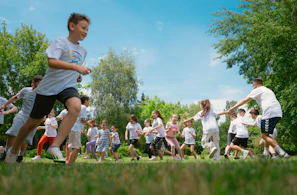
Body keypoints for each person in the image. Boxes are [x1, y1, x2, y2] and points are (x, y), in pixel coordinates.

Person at [5, 13, 92, 163]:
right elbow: (52, 62)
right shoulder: (60, 42)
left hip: (68, 87)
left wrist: (77, 74)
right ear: (72, 26)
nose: (86, 31)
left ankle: (55, 146)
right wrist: (75, 67)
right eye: (83, 28)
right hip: (49, 87)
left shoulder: (83, 50)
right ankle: (13, 151)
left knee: (76, 107)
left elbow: (71, 67)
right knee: (32, 123)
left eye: (87, 29)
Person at [228, 78, 289, 158]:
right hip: (277, 112)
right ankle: (266, 152)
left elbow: (245, 100)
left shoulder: (258, 89)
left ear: (255, 85)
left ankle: (282, 153)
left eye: (253, 86)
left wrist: (233, 108)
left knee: (264, 136)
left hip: (269, 112)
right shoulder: (268, 90)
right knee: (265, 134)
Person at [0, 75, 43, 162]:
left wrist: (43, 115)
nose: (39, 85)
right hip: (22, 114)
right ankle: (6, 153)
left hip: (34, 117)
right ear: (33, 82)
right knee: (13, 132)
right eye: (38, 83)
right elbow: (15, 98)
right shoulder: (25, 90)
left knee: (26, 138)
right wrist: (4, 105)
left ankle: (20, 157)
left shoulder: (43, 93)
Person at [68, 95, 91, 164]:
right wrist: (88, 124)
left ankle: (71, 163)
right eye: (88, 101)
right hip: (75, 129)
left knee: (75, 148)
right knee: (76, 148)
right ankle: (70, 164)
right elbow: (82, 119)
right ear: (86, 101)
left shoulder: (78, 107)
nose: (89, 103)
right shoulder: (83, 107)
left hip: (73, 128)